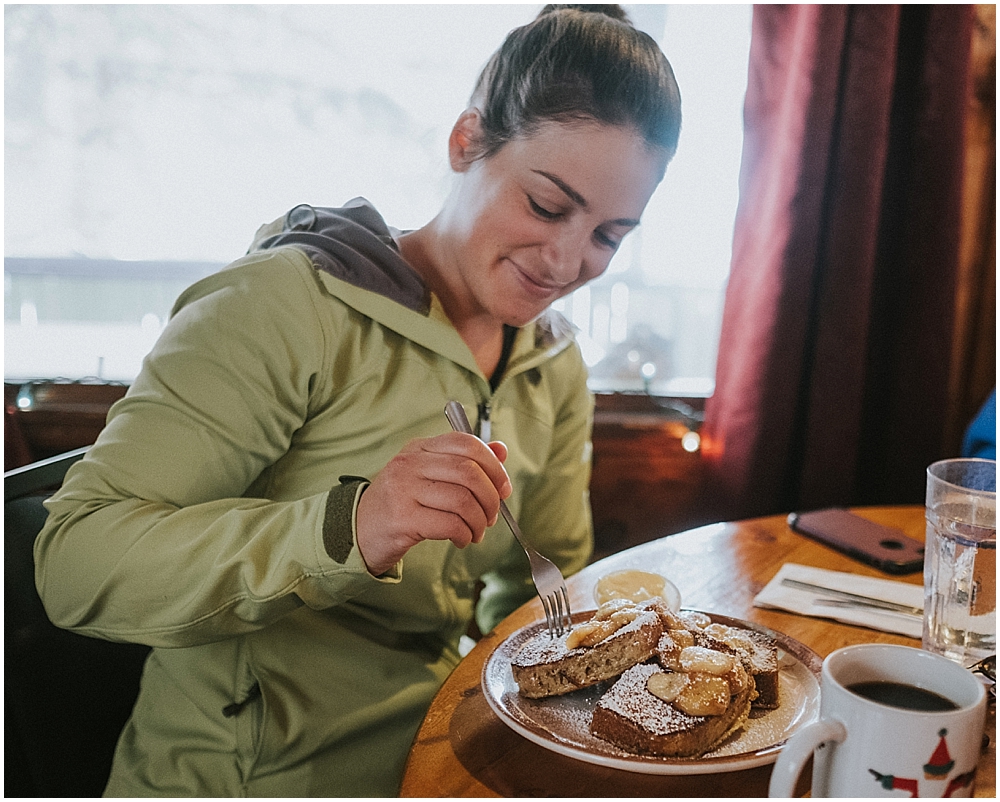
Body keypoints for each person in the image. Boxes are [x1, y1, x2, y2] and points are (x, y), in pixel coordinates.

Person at [33, 5, 681, 796]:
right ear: (465, 140)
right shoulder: (283, 306)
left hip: (439, 748)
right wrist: (349, 526)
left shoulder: (554, 361)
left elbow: (544, 590)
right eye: (548, 207)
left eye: (610, 235)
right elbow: (75, 562)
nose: (568, 261)